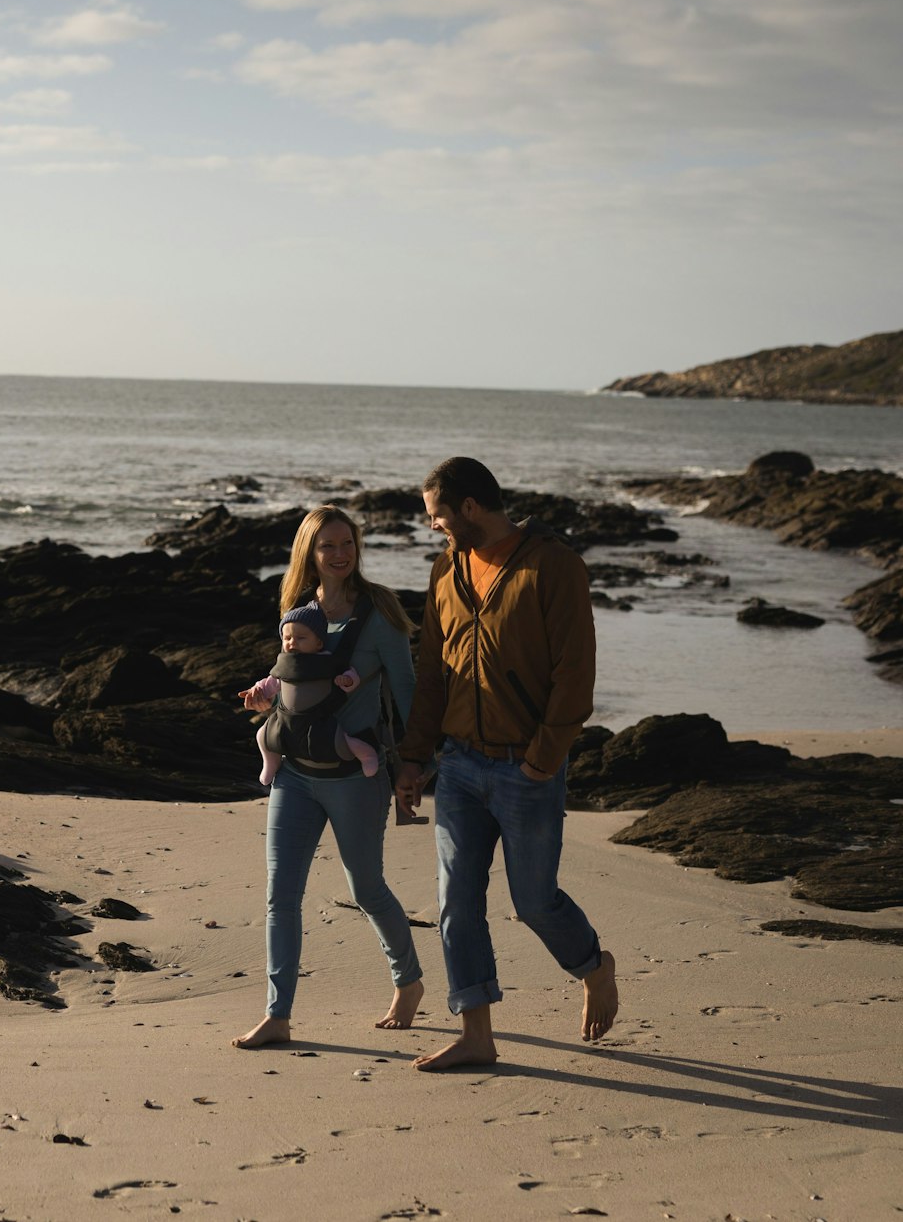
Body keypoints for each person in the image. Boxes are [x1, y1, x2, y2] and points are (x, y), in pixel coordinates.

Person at [393, 457, 619, 1071]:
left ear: (470, 508)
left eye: (437, 515)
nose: (433, 527)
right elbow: (433, 676)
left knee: (535, 902)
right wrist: (413, 759)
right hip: (460, 766)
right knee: (455, 902)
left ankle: (594, 967)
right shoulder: (446, 569)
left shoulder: (553, 564)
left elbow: (575, 672)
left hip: (527, 769)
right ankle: (476, 1034)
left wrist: (544, 762)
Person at [232, 505, 424, 1049]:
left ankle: (407, 980)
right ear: (309, 554)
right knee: (280, 896)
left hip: (355, 777)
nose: (340, 554)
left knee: (366, 888)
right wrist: (259, 698)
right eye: (327, 546)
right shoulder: (300, 614)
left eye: (347, 543)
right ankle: (277, 1015)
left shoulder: (380, 613)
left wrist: (415, 765)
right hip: (295, 774)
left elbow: (408, 692)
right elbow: (284, 677)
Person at [240, 604, 381, 789]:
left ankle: (368, 756)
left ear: (319, 643)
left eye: (300, 638)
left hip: (318, 719)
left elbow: (352, 675)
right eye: (287, 638)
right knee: (262, 736)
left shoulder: (326, 660)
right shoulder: (285, 664)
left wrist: (346, 680)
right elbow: (269, 683)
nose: (292, 643)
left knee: (343, 741)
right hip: (286, 719)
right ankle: (271, 763)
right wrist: (255, 691)